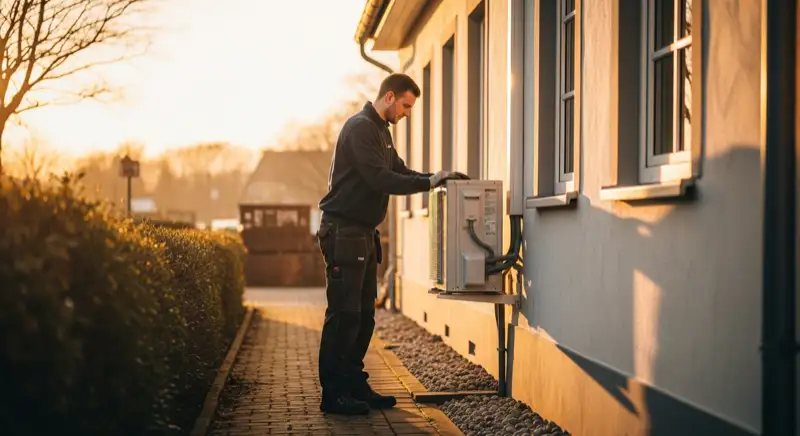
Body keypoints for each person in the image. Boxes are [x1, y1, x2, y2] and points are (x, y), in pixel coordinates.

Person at [315, 73, 462, 415]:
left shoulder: (381, 131)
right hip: (343, 232)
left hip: (363, 234)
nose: (407, 113)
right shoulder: (360, 128)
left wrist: (434, 178)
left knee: (364, 316)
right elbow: (380, 178)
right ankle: (333, 395)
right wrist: (427, 183)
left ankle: (354, 384)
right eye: (406, 106)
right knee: (344, 316)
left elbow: (399, 170)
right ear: (390, 97)